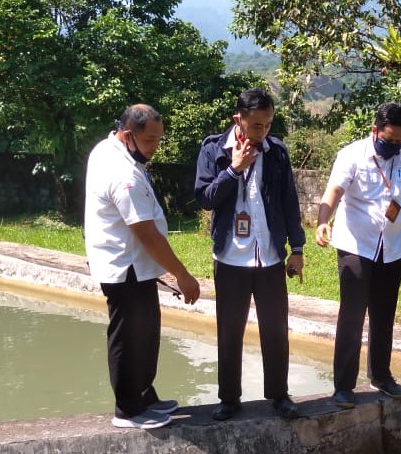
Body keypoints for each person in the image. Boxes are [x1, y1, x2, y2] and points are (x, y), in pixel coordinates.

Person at [84, 104, 201, 430]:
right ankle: (128, 409)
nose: (155, 148)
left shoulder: (109, 150)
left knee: (146, 333)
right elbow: (146, 233)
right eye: (149, 140)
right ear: (127, 134)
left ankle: (145, 395)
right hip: (125, 267)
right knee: (128, 337)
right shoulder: (123, 174)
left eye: (158, 140)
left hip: (135, 266)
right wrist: (182, 275)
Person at [194, 88, 306, 421]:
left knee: (276, 330)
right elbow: (205, 198)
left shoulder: (277, 153)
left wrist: (297, 248)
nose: (263, 132)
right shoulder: (213, 150)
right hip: (231, 259)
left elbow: (289, 203)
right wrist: (233, 170)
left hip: (270, 258)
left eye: (268, 124)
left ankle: (279, 395)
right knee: (229, 331)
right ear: (238, 119)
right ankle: (229, 398)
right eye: (256, 125)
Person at [315, 102, 401, 409]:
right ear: (374, 130)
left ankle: (381, 376)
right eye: (387, 141)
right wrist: (323, 220)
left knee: (384, 315)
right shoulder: (352, 155)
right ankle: (344, 387)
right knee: (351, 316)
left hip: (392, 249)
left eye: (398, 142)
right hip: (356, 247)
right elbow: (333, 192)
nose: (393, 147)